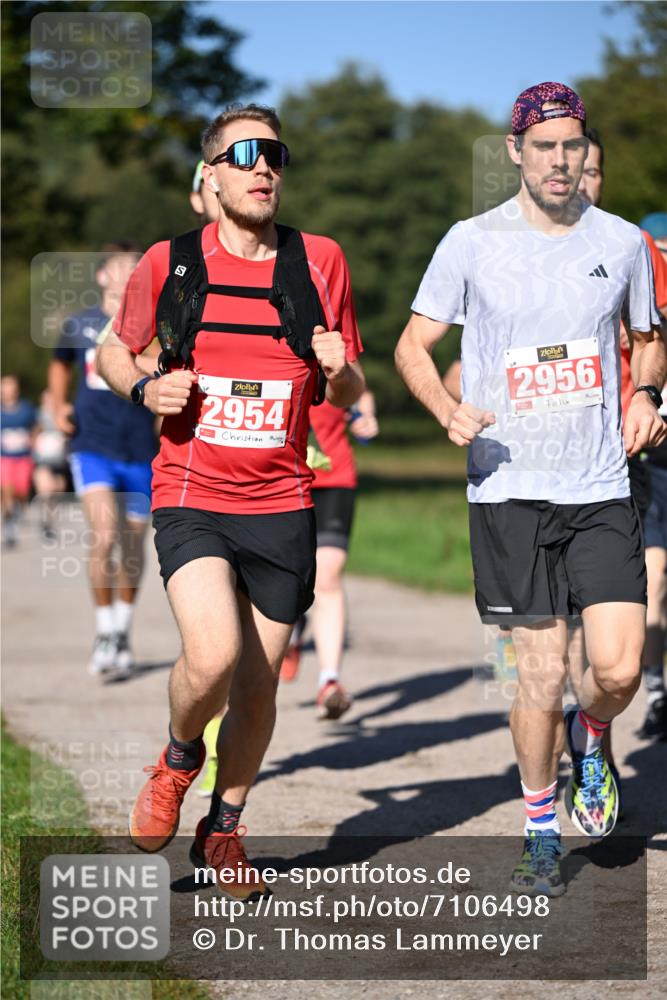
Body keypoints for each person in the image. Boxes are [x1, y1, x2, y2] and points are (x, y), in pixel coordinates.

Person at [395, 82, 666, 897]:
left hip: (597, 483)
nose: (559, 159)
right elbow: (413, 345)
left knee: (616, 669)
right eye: (543, 146)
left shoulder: (621, 244)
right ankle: (540, 828)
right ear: (514, 151)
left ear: (586, 154)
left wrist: (643, 393)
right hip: (506, 487)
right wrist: (444, 407)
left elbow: (648, 338)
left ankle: (593, 735)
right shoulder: (470, 243)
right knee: (538, 674)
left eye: (571, 146)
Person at [97, 104, 364, 895]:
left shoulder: (320, 262)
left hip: (283, 499)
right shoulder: (171, 262)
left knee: (256, 683)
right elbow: (117, 349)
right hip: (192, 491)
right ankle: (179, 758)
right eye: (243, 153)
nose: (262, 167)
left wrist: (338, 367)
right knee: (212, 656)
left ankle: (224, 829)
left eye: (273, 154)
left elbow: (346, 384)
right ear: (208, 176)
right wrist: (146, 386)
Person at [48, 243, 157, 677]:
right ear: (102, 276)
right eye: (120, 267)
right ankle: (104, 630)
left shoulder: (153, 327)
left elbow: (165, 369)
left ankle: (123, 630)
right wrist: (58, 405)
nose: (129, 272)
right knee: (105, 534)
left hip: (140, 451)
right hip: (91, 446)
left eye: (136, 268)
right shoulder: (80, 324)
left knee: (132, 547)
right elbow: (60, 365)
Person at [280, 391, 379, 721]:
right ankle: (292, 631)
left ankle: (329, 682)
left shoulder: (333, 341)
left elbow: (358, 387)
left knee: (328, 575)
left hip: (333, 477)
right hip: (280, 479)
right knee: (286, 576)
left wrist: (365, 417)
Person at [1, 375, 37, 548]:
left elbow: (37, 427)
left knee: (21, 493)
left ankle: (16, 509)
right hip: (4, 457)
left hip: (23, 457)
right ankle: (9, 527)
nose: (8, 390)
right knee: (6, 488)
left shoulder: (26, 409)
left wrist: (33, 438)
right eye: (4, 386)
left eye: (11, 386)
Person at [32, 388, 69, 540]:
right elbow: (32, 434)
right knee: (46, 491)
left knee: (57, 492)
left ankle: (50, 522)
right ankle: (45, 521)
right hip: (43, 460)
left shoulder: (64, 414)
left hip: (60, 461)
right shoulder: (38, 415)